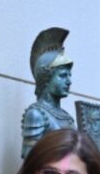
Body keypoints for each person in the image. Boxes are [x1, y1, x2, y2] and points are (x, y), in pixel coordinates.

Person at [20, 28, 76, 158]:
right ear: (46, 78)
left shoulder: (67, 117)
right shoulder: (36, 114)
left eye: (69, 76)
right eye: (62, 76)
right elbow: (30, 159)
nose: (69, 81)